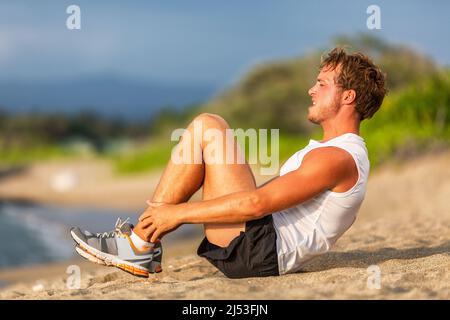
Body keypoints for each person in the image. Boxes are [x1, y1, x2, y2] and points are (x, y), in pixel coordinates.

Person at [70, 47, 387, 278]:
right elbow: (262, 200)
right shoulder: (332, 151)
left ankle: (139, 243)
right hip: (259, 243)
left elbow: (256, 204)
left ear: (349, 97)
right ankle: (141, 242)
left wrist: (175, 214)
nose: (311, 89)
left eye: (322, 83)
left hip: (258, 250)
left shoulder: (338, 157)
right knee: (206, 131)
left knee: (209, 125)